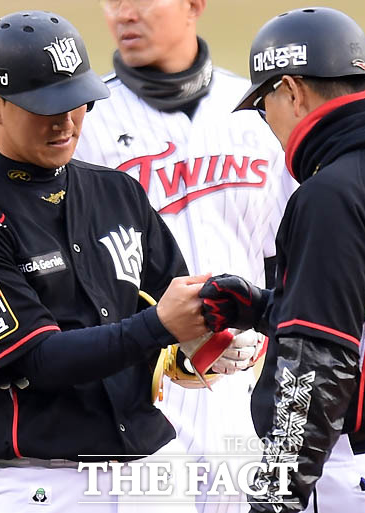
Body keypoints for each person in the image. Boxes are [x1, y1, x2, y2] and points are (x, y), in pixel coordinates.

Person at [0, 10, 213, 512]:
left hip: (153, 473)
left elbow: (178, 300)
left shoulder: (118, 192)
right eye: (45, 105)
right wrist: (160, 327)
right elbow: (38, 360)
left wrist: (219, 332)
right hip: (43, 486)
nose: (65, 120)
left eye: (76, 101)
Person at [199, 7, 365, 513]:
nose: (267, 121)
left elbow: (316, 367)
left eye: (265, 104)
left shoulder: (331, 193)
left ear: (294, 90)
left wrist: (276, 494)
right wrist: (263, 307)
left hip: (354, 478)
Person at [74, 2, 296, 510]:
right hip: (141, 398)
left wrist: (267, 326)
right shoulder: (86, 124)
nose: (123, 14)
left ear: (194, 5)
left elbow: (293, 253)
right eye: (113, 0)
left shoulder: (259, 114)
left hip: (245, 391)